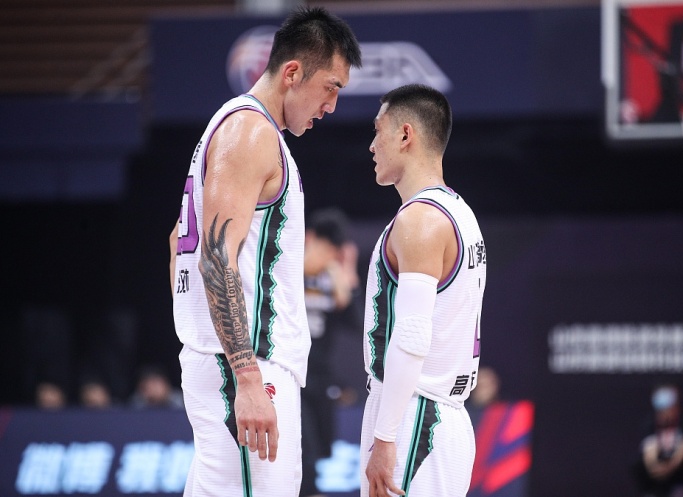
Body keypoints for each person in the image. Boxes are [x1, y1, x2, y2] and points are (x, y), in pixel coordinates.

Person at [168, 7, 361, 497]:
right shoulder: (250, 132)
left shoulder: (242, 130)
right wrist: (246, 374)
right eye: (331, 87)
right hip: (247, 366)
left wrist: (199, 337)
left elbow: (177, 241)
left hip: (231, 362)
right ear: (292, 73)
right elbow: (215, 256)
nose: (331, 106)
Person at [360, 84, 487, 497]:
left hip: (416, 418)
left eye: (378, 131)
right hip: (438, 415)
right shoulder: (459, 211)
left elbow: (413, 336)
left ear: (405, 135)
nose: (371, 146)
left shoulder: (420, 220)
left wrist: (385, 435)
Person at [301, 207, 360, 497]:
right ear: (309, 238)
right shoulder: (286, 270)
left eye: (332, 252)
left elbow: (357, 323)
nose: (326, 258)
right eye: (323, 249)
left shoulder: (332, 280)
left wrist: (348, 277)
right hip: (292, 374)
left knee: (323, 447)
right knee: (304, 449)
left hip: (321, 377)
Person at [633, 383, 683, 497]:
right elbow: (650, 457)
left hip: (678, 479)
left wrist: (669, 467)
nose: (666, 413)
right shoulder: (649, 425)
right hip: (654, 482)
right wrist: (657, 469)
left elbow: (681, 453)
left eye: (670, 408)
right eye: (662, 410)